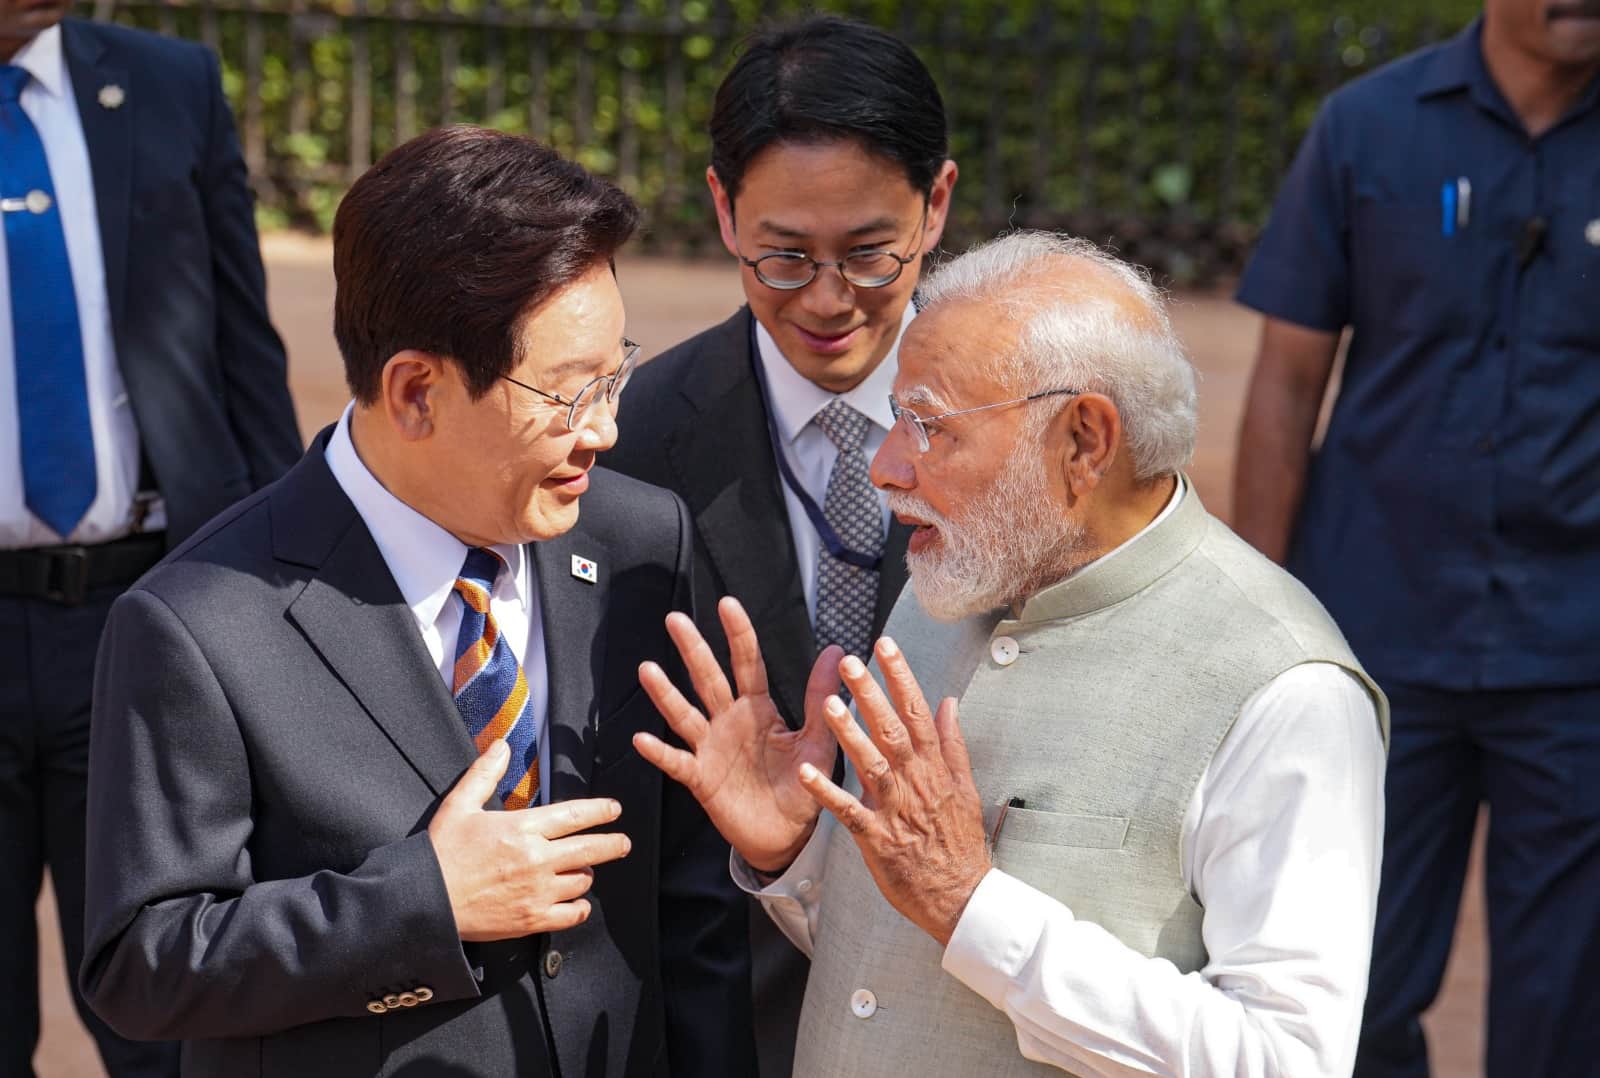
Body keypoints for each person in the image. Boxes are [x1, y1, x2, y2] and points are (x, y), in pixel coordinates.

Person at [80, 125, 754, 1078]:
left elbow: (691, 905)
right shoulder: (197, 622)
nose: (605, 427)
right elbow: (142, 965)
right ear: (414, 392)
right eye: (566, 395)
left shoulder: (642, 541)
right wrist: (419, 907)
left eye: (615, 374)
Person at [634, 231, 1390, 1078]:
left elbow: (1286, 1059)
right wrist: (796, 853)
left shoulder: (1285, 689)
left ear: (1084, 441)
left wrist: (973, 907)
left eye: (929, 427)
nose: (886, 468)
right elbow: (893, 963)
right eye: (897, 421)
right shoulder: (947, 582)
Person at [1232, 3, 1600, 1074]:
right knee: (1348, 980)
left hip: (1580, 654)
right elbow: (1285, 381)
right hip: (1375, 635)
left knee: (1570, 1007)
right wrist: (1259, 622)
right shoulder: (1368, 127)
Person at [605, 17, 956, 1073]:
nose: (827, 300)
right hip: (726, 1012)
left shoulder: (1019, 428)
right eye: (784, 254)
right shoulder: (632, 446)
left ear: (936, 205)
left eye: (867, 253)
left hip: (956, 997)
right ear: (722, 209)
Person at [0, 0, 301, 1071]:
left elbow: (244, 353)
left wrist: (290, 589)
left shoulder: (168, 86)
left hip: (144, 616)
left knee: (167, 1009)